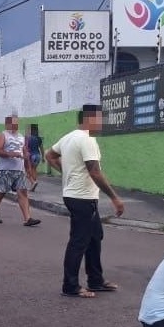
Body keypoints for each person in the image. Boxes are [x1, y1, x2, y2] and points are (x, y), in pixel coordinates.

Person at [45, 104, 124, 298]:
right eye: (100, 119)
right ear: (90, 119)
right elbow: (94, 172)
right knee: (79, 241)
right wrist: (114, 198)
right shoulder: (87, 139)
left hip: (77, 196)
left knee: (95, 237)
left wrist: (67, 172)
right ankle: (70, 286)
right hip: (82, 198)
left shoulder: (69, 137)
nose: (102, 124)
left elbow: (49, 155)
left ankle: (95, 280)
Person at [0, 115, 41, 227]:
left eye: (16, 123)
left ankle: (27, 218)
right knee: (1, 192)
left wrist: (27, 166)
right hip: (5, 170)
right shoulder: (3, 136)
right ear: (7, 124)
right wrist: (10, 154)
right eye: (12, 123)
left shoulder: (21, 137)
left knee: (23, 192)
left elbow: (25, 152)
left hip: (19, 170)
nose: (15, 125)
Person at [25, 123, 45, 191]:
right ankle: (34, 184)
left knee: (28, 170)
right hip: (38, 156)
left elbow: (26, 148)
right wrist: (43, 157)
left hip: (31, 156)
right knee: (34, 170)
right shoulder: (39, 138)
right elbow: (42, 149)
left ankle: (33, 182)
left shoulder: (27, 138)